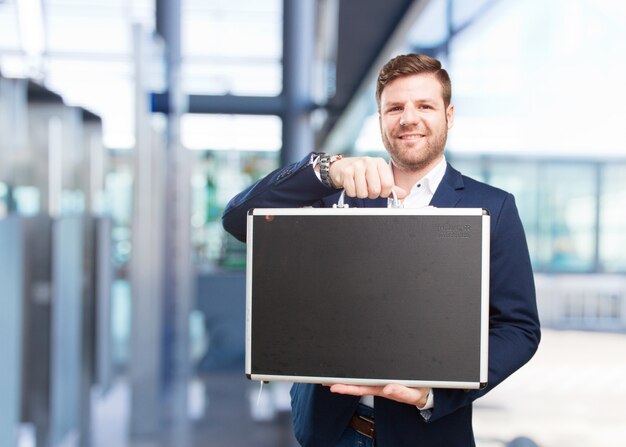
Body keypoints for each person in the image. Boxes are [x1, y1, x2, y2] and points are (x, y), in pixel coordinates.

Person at [222, 53, 541, 447]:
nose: (409, 118)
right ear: (380, 119)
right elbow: (238, 220)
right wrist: (324, 170)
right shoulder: (338, 193)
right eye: (395, 108)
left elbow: (519, 328)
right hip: (331, 433)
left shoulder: (493, 207)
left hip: (428, 433)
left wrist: (437, 392)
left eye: (424, 105)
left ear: (449, 115)